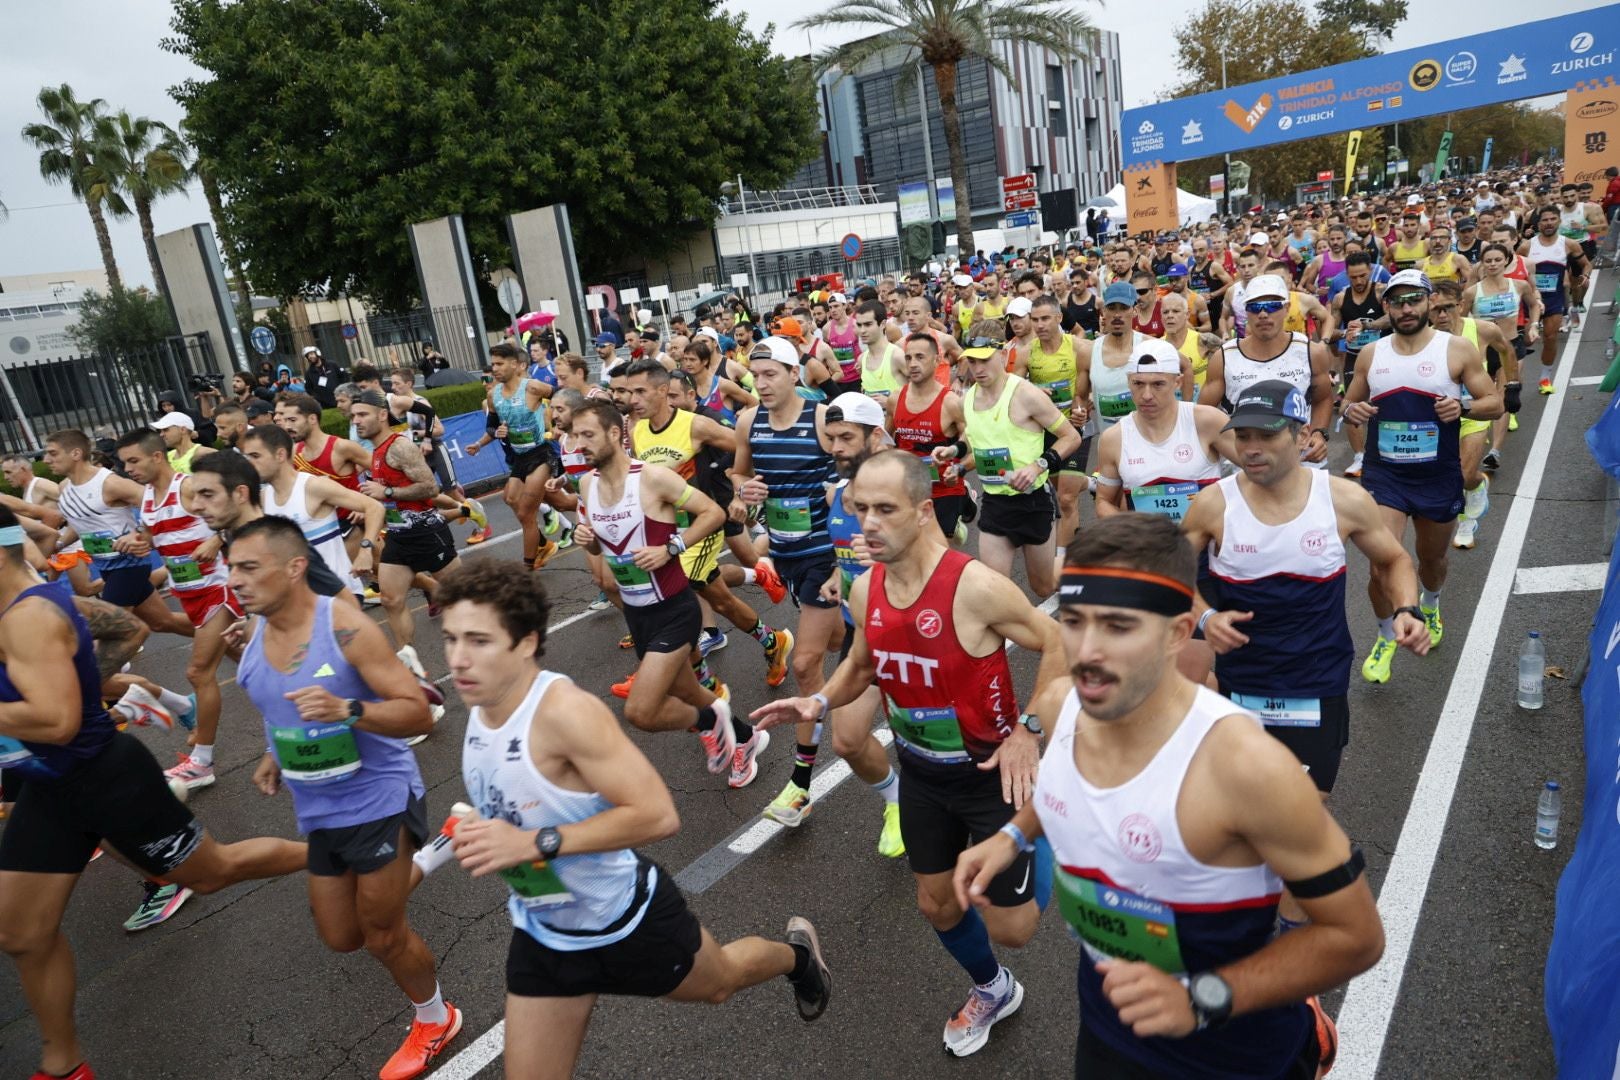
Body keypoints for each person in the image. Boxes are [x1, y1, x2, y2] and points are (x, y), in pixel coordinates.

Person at [954, 513, 1384, 1079]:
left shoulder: (1243, 767)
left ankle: (1306, 1024)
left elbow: (1356, 937)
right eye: (1076, 621)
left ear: (1178, 634)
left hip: (1232, 1048)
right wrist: (1012, 837)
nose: (1087, 651)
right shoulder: (1061, 706)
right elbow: (1065, 781)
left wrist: (1203, 997)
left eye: (1118, 626)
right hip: (1109, 1025)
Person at [430, 563, 829, 1079]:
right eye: (451, 639)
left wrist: (535, 842)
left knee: (722, 981)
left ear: (526, 643)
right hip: (547, 934)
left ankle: (796, 959)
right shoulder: (480, 709)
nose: (458, 659)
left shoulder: (565, 712)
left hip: (627, 920)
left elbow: (657, 815)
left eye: (478, 641)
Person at [752, 451, 1064, 1058]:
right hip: (923, 775)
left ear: (924, 512)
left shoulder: (974, 587)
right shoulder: (867, 587)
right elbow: (866, 666)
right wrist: (819, 701)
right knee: (935, 902)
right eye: (859, 508)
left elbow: (1057, 645)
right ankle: (993, 989)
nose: (868, 522)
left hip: (993, 776)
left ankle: (1051, 816)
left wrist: (1028, 731)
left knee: (1016, 928)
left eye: (885, 509)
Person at [0, 505, 307, 1080]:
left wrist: (78, 696)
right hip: (49, 786)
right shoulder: (29, 604)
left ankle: (340, 855)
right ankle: (63, 1065)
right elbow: (124, 629)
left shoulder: (28, 616)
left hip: (103, 777)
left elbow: (59, 722)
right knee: (20, 932)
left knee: (212, 873)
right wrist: (91, 682)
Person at [1184, 378, 1428, 921]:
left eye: (1266, 436)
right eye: (1241, 435)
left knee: (1302, 822)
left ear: (1300, 437)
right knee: (1244, 823)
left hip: (1316, 685)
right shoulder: (1211, 506)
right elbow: (1172, 577)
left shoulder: (1341, 499)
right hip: (1241, 685)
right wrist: (1206, 616)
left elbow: (1394, 561)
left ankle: (1294, 966)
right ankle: (1246, 925)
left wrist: (1407, 611)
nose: (1250, 448)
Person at [231, 516, 460, 1080]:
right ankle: (435, 852)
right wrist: (271, 754)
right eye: (231, 567)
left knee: (384, 934)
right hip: (318, 806)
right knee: (343, 935)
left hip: (380, 796)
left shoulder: (346, 627)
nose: (235, 579)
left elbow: (417, 711)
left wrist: (348, 710)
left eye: (248, 567)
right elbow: (275, 702)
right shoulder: (255, 630)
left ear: (294, 567)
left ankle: (436, 1018)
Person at [570, 399, 764, 784]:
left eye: (587, 434)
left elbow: (712, 512)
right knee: (691, 693)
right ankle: (746, 739)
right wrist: (586, 540)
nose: (579, 444)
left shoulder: (652, 478)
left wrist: (672, 547)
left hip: (674, 610)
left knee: (641, 712)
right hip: (638, 614)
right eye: (575, 436)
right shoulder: (587, 483)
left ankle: (713, 721)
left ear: (614, 433)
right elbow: (599, 546)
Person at [1341, 270, 1502, 683]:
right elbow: (1349, 402)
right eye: (1398, 301)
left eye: (1414, 300)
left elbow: (1493, 403)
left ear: (1429, 302)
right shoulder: (1371, 355)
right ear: (1388, 307)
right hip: (1385, 477)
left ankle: (1430, 604)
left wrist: (1463, 407)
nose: (1407, 308)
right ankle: (1384, 635)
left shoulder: (1457, 349)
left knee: (1431, 559)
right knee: (1381, 565)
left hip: (1437, 475)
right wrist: (1351, 412)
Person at [730, 337, 848, 822]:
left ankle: (799, 786)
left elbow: (857, 477)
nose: (760, 384)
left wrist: (836, 495)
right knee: (844, 640)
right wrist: (745, 492)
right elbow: (738, 478)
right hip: (786, 554)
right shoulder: (746, 421)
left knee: (804, 663)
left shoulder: (821, 420)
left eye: (770, 375)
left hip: (825, 555)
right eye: (754, 377)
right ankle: (869, 660)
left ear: (793, 374)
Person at [625, 358, 792, 681]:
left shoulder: (694, 425)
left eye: (640, 392)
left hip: (702, 525)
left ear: (662, 391)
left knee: (674, 596)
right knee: (723, 602)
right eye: (630, 393)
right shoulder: (638, 431)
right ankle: (774, 641)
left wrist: (742, 493)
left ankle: (702, 680)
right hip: (667, 530)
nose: (633, 400)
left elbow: (745, 451)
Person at [115, 429, 243, 791]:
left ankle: (202, 762)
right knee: (252, 663)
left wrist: (215, 538)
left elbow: (241, 513)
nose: (128, 469)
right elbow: (151, 540)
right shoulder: (148, 500)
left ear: (158, 457)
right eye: (124, 463)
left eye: (134, 461)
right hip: (187, 593)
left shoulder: (189, 488)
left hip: (218, 588)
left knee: (198, 672)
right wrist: (137, 544)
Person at [938, 333, 1079, 599]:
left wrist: (1038, 466)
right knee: (993, 591)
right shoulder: (968, 398)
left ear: (1002, 356)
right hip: (995, 503)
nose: (978, 369)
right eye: (972, 362)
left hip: (1034, 502)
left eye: (985, 361)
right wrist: (954, 454)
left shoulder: (1027, 394)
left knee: (1043, 586)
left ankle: (1078, 571)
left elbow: (1071, 437)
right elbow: (974, 437)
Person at [350, 390, 463, 675]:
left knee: (462, 597)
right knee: (390, 599)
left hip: (427, 533)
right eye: (353, 416)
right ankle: (410, 667)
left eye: (362, 414)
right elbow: (391, 497)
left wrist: (386, 491)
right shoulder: (375, 451)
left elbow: (429, 487)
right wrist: (373, 505)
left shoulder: (399, 446)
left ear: (382, 415)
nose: (356, 421)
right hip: (399, 537)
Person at [1199, 274, 1335, 468]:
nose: (1263, 314)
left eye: (1272, 305)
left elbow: (1322, 398)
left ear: (1287, 308)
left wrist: (1319, 433)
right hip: (1246, 461)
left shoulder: (1310, 351)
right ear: (1246, 312)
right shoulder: (1225, 357)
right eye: (1254, 307)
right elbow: (1204, 413)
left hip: (1300, 460)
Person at [239, 424, 385, 602]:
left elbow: (374, 507)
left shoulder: (313, 486)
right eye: (247, 457)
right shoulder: (264, 497)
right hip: (299, 601)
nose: (249, 464)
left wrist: (365, 550)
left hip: (338, 595)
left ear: (280, 455)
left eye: (255, 456)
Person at [1430, 279, 1521, 550]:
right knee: (1447, 476)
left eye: (1448, 308)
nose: (1442, 315)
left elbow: (1507, 351)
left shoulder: (1482, 330)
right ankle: (1478, 483)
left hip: (1475, 413)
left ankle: (1466, 522)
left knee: (1460, 474)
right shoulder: (1423, 337)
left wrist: (1512, 386)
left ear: (1461, 305)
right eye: (1436, 310)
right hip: (1438, 417)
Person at [466, 343, 564, 568]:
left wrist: (559, 424)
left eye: (500, 364)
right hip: (519, 458)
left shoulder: (533, 387)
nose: (496, 369)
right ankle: (565, 519)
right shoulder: (493, 396)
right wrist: (492, 434)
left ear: (515, 364)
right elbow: (492, 427)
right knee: (511, 499)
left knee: (526, 513)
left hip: (540, 454)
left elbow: (562, 397)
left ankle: (529, 564)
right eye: (493, 364)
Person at [891, 331, 970, 542]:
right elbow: (887, 441)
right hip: (909, 489)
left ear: (937, 360)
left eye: (920, 357)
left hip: (944, 489)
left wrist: (956, 459)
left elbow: (971, 439)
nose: (913, 364)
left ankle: (964, 499)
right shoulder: (895, 398)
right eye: (908, 358)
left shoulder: (951, 402)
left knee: (938, 558)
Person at [1320, 253, 1391, 477]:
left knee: (1386, 405)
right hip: (1355, 357)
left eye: (1362, 275)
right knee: (1351, 407)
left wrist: (1368, 325)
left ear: (1370, 270)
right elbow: (1328, 332)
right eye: (1353, 277)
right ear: (1346, 275)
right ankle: (1359, 456)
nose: (1359, 281)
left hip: (1383, 356)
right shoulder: (1341, 298)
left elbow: (1393, 318)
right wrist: (1345, 332)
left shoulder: (1380, 291)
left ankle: (1386, 452)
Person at [1519, 204, 1589, 393]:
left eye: (1552, 219)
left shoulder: (1568, 244)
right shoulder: (1527, 246)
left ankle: (1545, 378)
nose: (1548, 223)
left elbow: (1586, 264)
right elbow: (1515, 268)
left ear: (1559, 221)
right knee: (1525, 340)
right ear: (1538, 223)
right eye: (1544, 220)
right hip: (1530, 300)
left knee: (1550, 337)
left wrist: (1585, 276)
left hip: (1554, 299)